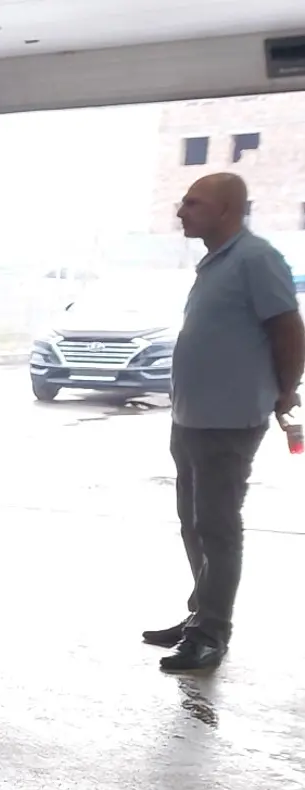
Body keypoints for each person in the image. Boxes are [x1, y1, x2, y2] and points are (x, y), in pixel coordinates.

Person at [143, 173, 305, 672]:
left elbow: (289, 329)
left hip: (230, 420)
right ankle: (199, 616)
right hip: (192, 418)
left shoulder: (257, 259)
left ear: (227, 210)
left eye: (193, 203)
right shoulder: (216, 263)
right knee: (194, 523)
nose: (180, 211)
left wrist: (285, 392)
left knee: (217, 525)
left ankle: (212, 632)